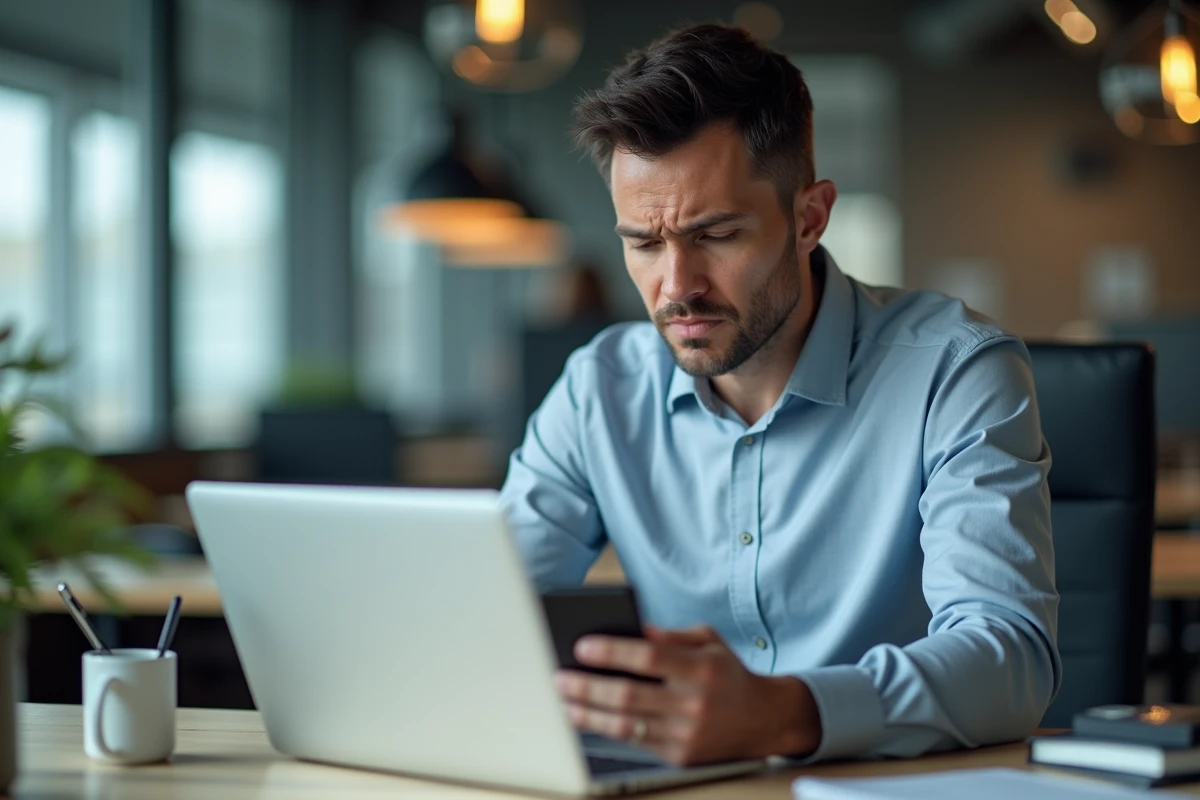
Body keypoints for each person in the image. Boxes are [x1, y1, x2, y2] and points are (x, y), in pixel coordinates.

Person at [500, 23, 1060, 767]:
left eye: (718, 235)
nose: (676, 288)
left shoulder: (955, 374)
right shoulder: (598, 391)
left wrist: (785, 714)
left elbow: (1010, 660)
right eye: (643, 243)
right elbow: (489, 612)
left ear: (809, 217)